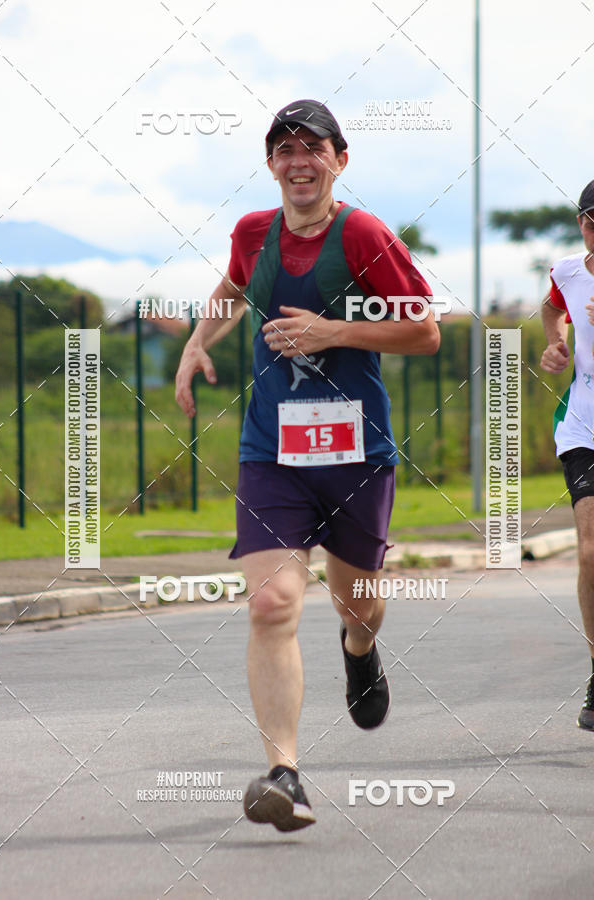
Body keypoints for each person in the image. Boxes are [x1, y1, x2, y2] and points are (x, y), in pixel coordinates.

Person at [175, 99, 440, 829]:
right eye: (284, 149)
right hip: (273, 452)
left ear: (339, 160)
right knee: (271, 602)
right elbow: (233, 289)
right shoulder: (252, 233)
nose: (299, 161)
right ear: (270, 165)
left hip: (355, 454)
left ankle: (359, 648)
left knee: (358, 603)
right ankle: (284, 774)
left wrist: (334, 330)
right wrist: (201, 340)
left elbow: (424, 332)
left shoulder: (365, 237)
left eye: (312, 148)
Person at [540, 179, 594, 730]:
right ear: (582, 223)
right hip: (584, 427)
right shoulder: (569, 271)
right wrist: (556, 343)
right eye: (593, 220)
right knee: (590, 553)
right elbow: (551, 305)